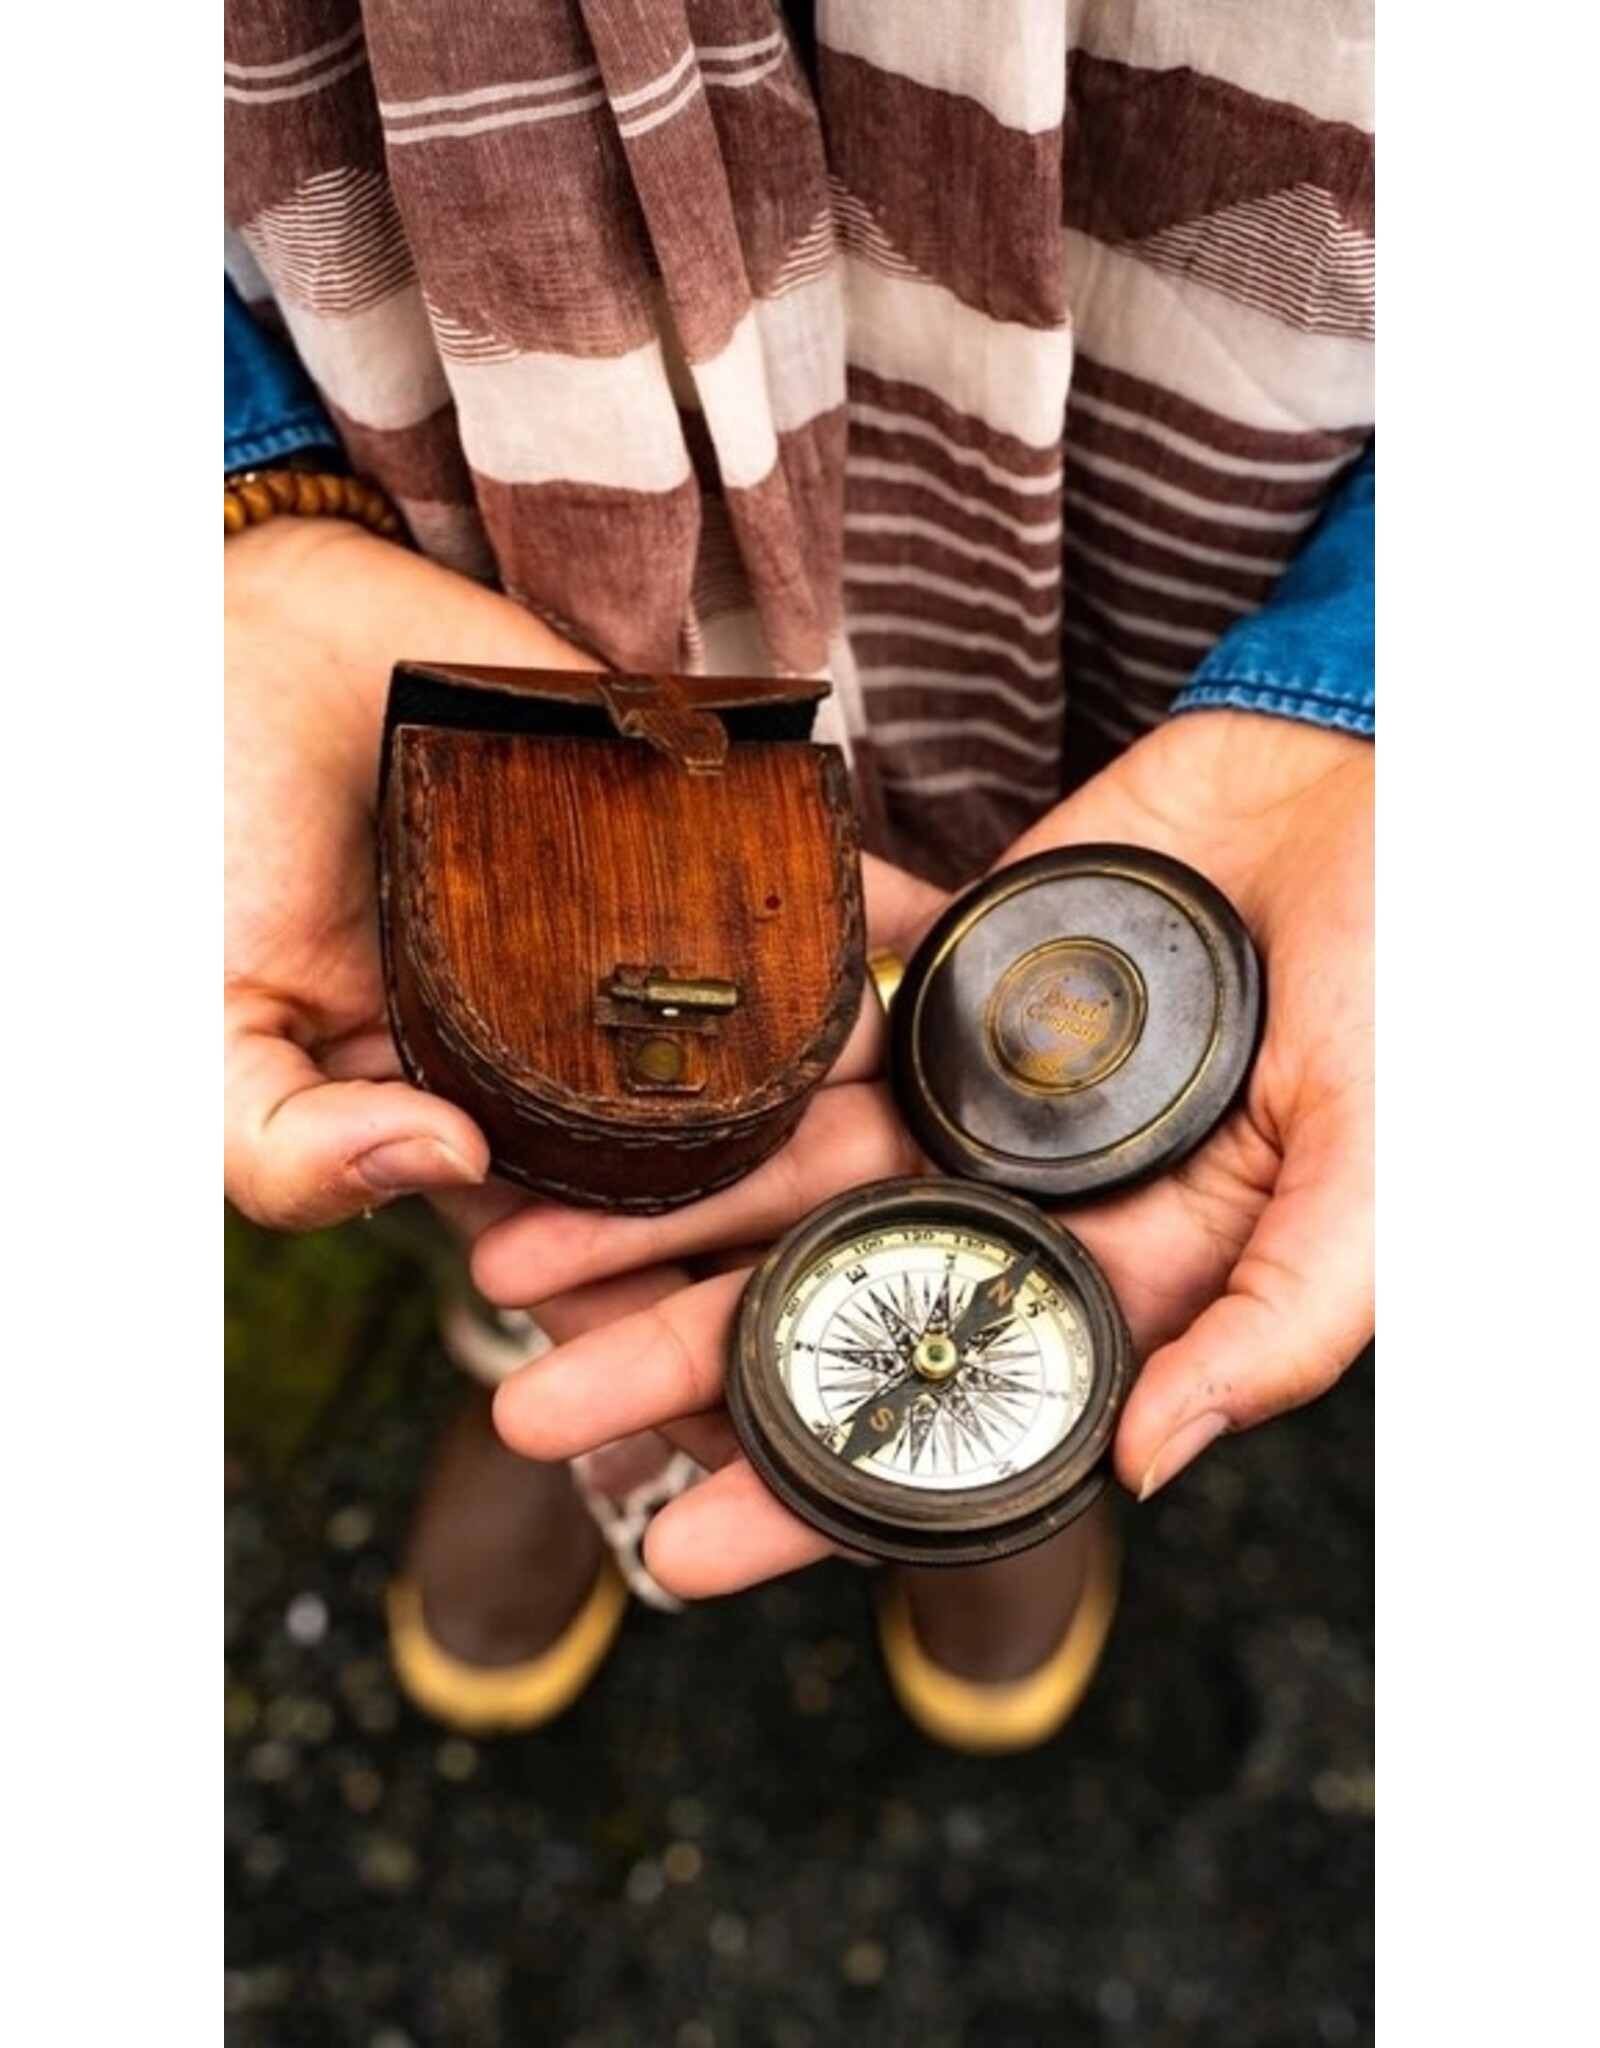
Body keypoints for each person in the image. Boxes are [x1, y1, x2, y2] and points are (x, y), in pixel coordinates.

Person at [225, 0, 1373, 1752]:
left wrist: (1372, 688)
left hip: (1171, 498)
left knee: (979, 923)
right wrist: (229, 518)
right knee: (489, 1060)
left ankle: (980, 1478)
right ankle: (537, 1342)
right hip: (492, 498)